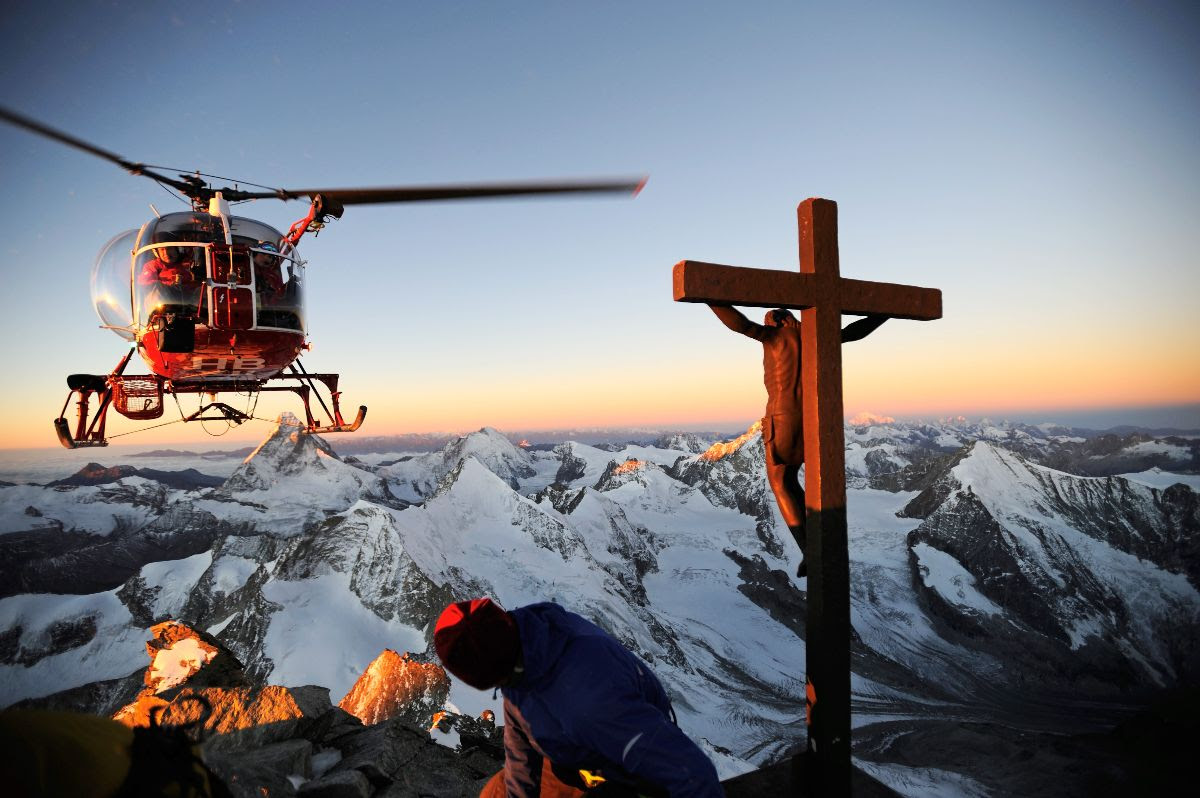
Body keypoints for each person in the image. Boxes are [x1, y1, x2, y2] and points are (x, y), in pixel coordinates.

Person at [434, 598, 722, 798]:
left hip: (630, 776)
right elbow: (520, 738)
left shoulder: (591, 704)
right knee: (496, 793)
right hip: (572, 754)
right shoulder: (524, 642)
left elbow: (693, 775)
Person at [708, 305, 887, 577]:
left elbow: (740, 324)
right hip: (815, 418)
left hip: (783, 416)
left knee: (781, 480)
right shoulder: (816, 336)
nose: (765, 318)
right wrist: (882, 314)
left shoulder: (773, 336)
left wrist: (711, 300)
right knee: (812, 482)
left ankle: (809, 550)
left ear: (780, 321)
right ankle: (821, 539)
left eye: (769, 316)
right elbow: (855, 331)